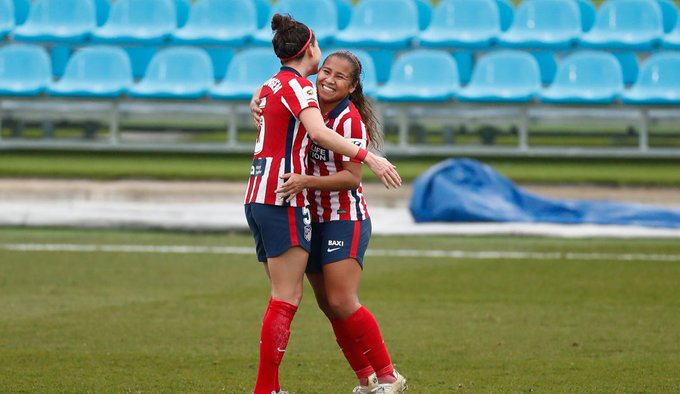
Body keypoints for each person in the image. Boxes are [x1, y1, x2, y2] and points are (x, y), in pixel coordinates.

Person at [244, 14, 401, 394]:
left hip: (341, 215)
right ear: (311, 55)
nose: (328, 78)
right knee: (323, 304)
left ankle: (386, 376)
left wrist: (360, 159)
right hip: (300, 208)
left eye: (339, 76)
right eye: (325, 70)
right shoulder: (302, 95)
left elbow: (350, 178)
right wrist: (259, 97)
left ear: (352, 86)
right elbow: (296, 107)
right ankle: (365, 379)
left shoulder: (346, 119)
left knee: (341, 300)